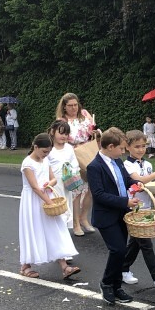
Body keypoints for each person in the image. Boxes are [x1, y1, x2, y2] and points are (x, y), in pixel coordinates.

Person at [86, 127, 139, 305]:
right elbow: (99, 195)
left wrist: (140, 185)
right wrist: (125, 202)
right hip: (106, 216)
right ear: (110, 147)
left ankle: (117, 286)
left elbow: (126, 180)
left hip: (121, 214)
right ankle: (106, 283)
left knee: (121, 251)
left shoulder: (117, 161)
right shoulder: (94, 167)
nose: (123, 152)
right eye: (121, 148)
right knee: (118, 250)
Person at [18, 133, 80, 280]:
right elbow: (34, 187)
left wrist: (49, 184)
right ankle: (25, 266)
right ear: (35, 147)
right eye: (44, 151)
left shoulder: (45, 160)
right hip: (33, 201)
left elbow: (53, 179)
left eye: (48, 152)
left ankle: (64, 266)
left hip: (46, 196)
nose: (46, 155)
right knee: (34, 230)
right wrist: (50, 202)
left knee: (55, 228)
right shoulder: (27, 164)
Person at [120, 129, 155, 289]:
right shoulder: (127, 165)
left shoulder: (148, 164)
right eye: (137, 146)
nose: (141, 149)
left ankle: (123, 269)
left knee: (136, 242)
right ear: (128, 147)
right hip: (134, 207)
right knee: (145, 243)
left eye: (143, 146)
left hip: (147, 207)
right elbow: (139, 181)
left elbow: (148, 186)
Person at [56, 93, 96, 235]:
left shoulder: (84, 114)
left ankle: (83, 218)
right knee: (76, 189)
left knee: (92, 188)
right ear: (64, 107)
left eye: (75, 105)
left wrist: (95, 132)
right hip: (72, 154)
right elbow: (59, 138)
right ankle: (75, 223)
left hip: (88, 151)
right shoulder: (62, 121)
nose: (74, 108)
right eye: (70, 105)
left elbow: (92, 130)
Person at [46, 120, 79, 231]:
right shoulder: (49, 149)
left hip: (67, 182)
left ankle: (64, 229)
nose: (64, 136)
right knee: (55, 207)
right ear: (53, 132)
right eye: (61, 133)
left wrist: (72, 173)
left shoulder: (69, 148)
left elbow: (74, 163)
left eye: (66, 134)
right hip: (53, 184)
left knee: (65, 205)